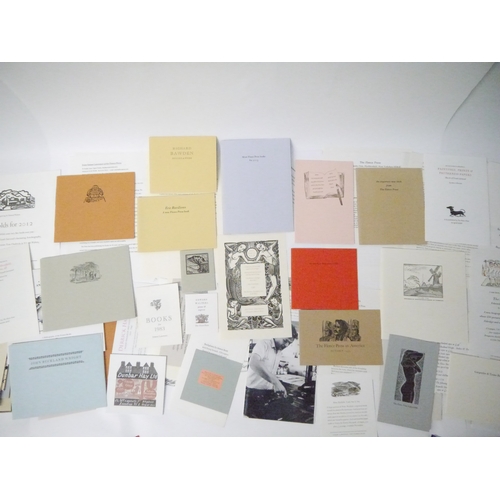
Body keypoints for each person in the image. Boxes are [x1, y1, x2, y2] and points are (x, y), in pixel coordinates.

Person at [244, 327, 304, 420]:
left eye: (289, 343)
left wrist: (277, 386)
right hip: (253, 393)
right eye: (285, 341)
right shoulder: (264, 344)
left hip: (267, 393)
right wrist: (276, 382)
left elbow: (269, 372)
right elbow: (254, 363)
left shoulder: (278, 351)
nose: (286, 345)